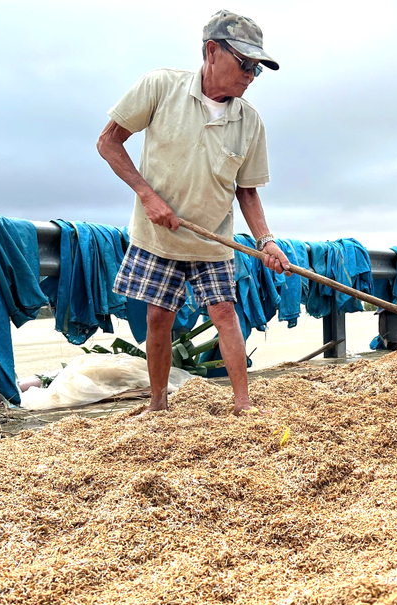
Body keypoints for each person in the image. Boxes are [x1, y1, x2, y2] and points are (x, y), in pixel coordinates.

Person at [97, 10, 290, 415]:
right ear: (212, 51)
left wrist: (266, 241)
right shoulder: (160, 87)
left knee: (225, 313)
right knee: (158, 317)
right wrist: (147, 195)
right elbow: (108, 142)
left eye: (257, 69)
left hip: (212, 237)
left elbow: (247, 191)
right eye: (246, 64)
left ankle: (243, 405)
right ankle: (158, 404)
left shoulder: (249, 122)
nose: (251, 76)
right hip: (159, 234)